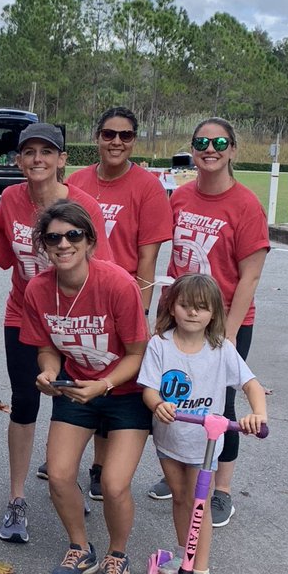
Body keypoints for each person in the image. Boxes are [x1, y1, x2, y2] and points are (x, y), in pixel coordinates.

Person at [22, 201, 150, 574]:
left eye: (73, 235)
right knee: (58, 475)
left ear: (90, 240)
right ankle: (80, 547)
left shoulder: (117, 284)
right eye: (53, 237)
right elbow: (47, 348)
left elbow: (137, 354)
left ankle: (118, 553)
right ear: (43, 246)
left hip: (125, 392)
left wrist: (105, 385)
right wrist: (47, 372)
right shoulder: (38, 289)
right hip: (75, 388)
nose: (64, 244)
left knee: (113, 484)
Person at [150, 117, 269, 525]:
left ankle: (221, 489)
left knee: (222, 402)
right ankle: (183, 468)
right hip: (179, 314)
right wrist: (163, 314)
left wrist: (230, 331)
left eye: (220, 141)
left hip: (224, 320)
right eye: (202, 141)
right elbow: (172, 257)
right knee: (177, 393)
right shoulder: (180, 196)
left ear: (233, 149)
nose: (210, 148)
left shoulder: (246, 205)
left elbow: (250, 274)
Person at [0, 123, 102, 544]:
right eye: (29, 152)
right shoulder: (9, 200)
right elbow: (1, 254)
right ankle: (17, 498)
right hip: (24, 315)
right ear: (18, 161)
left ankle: (65, 481)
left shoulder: (83, 204)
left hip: (72, 319)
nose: (37, 159)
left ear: (62, 159)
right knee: (24, 402)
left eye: (46, 151)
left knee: (71, 400)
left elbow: (98, 269)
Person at [138, 274, 267, 574]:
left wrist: (257, 414)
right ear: (173, 307)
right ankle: (185, 557)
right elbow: (149, 388)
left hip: (206, 444)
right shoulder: (160, 345)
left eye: (201, 308)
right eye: (185, 305)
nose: (192, 313)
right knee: (181, 498)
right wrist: (157, 403)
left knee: (200, 505)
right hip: (169, 438)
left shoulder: (221, 349)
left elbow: (251, 385)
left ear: (213, 314)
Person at [67, 107, 173, 500]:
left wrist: (141, 311)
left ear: (134, 141)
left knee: (117, 386)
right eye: (109, 134)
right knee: (82, 377)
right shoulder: (77, 181)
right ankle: (77, 455)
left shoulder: (146, 188)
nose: (116, 142)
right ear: (97, 137)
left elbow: (148, 257)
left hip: (123, 299)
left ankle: (100, 466)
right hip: (79, 300)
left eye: (126, 136)